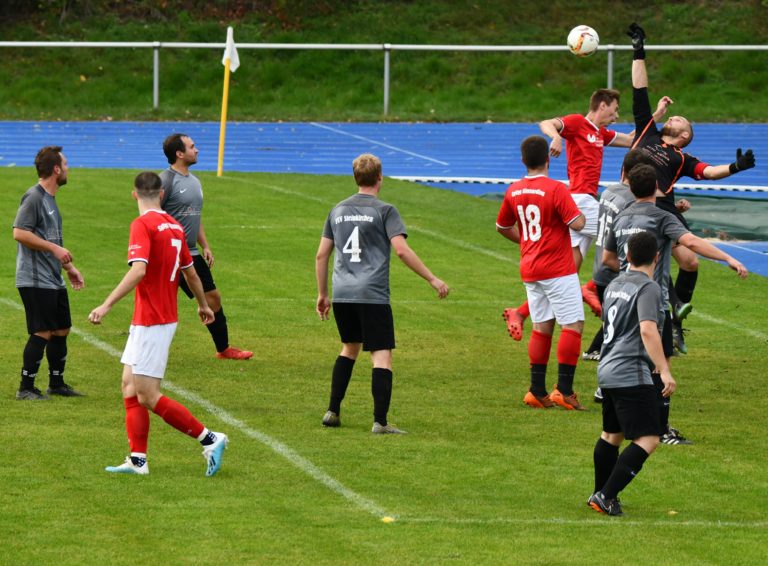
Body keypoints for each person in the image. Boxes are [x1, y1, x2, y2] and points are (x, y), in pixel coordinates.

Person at [627, 22, 756, 352]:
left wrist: (735, 167)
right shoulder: (647, 132)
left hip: (665, 207)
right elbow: (639, 90)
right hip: (637, 205)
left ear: (684, 136)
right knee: (646, 262)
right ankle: (651, 322)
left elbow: (709, 172)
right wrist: (639, 49)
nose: (675, 118)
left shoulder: (682, 157)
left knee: (691, 263)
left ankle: (675, 323)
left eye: (681, 121)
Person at [88, 171, 228, 476]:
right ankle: (138, 460)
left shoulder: (142, 225)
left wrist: (106, 304)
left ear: (134, 194)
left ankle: (211, 438)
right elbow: (191, 273)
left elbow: (139, 271)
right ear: (162, 194)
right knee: (128, 386)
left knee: (148, 395)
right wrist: (203, 305)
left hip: (154, 320)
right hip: (153, 319)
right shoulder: (174, 226)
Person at [603, 164, 748, 444]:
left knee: (629, 358)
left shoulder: (621, 218)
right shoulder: (661, 216)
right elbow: (691, 242)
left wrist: (626, 271)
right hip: (651, 301)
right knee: (661, 364)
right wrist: (728, 258)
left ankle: (621, 425)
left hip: (622, 297)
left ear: (630, 188)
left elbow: (608, 259)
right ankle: (662, 429)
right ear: (657, 187)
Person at [503, 89, 659, 341]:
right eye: (615, 109)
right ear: (603, 105)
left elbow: (632, 140)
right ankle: (592, 288)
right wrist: (555, 138)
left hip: (583, 203)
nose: (616, 115)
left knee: (566, 270)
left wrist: (657, 114)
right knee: (623, 234)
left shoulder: (600, 133)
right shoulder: (577, 123)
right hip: (580, 201)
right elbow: (546, 123)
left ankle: (520, 313)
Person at [315, 153, 449, 434]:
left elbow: (321, 255)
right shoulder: (385, 210)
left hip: (342, 293)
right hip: (372, 293)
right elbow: (401, 250)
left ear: (355, 178)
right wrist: (432, 279)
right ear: (380, 178)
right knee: (381, 355)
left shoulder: (337, 210)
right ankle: (380, 421)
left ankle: (332, 411)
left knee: (349, 348)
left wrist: (323, 294)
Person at [496, 136, 587, 410]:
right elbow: (579, 223)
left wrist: (525, 240)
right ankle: (565, 391)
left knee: (541, 325)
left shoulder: (514, 190)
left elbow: (502, 227)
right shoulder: (556, 189)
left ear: (523, 161)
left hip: (531, 267)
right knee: (572, 325)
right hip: (557, 267)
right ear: (549, 159)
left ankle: (536, 390)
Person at [588, 231, 675, 516]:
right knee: (649, 438)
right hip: (630, 372)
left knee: (612, 435)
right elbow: (648, 329)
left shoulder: (615, 284)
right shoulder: (648, 288)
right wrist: (664, 370)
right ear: (658, 257)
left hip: (607, 368)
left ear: (626, 256)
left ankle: (600, 494)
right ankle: (606, 495)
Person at [160, 133, 252, 360]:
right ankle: (146, 351)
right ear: (179, 153)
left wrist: (205, 246)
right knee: (163, 303)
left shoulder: (194, 181)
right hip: (169, 255)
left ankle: (223, 349)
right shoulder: (165, 181)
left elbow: (194, 217)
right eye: (192, 147)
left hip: (190, 253)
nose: (197, 150)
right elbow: (152, 215)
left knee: (212, 298)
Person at [12, 146, 85, 400]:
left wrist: (69, 267)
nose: (68, 169)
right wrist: (54, 248)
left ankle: (57, 383)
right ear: (56, 169)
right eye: (65, 165)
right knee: (42, 331)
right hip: (34, 279)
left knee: (61, 329)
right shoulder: (33, 197)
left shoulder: (51, 200)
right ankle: (26, 388)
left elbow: (51, 239)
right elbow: (20, 233)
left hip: (53, 278)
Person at [582, 149, 655, 366]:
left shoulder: (608, 192)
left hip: (600, 264)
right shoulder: (629, 201)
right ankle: (606, 357)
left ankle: (596, 350)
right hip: (615, 265)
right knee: (626, 319)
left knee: (617, 316)